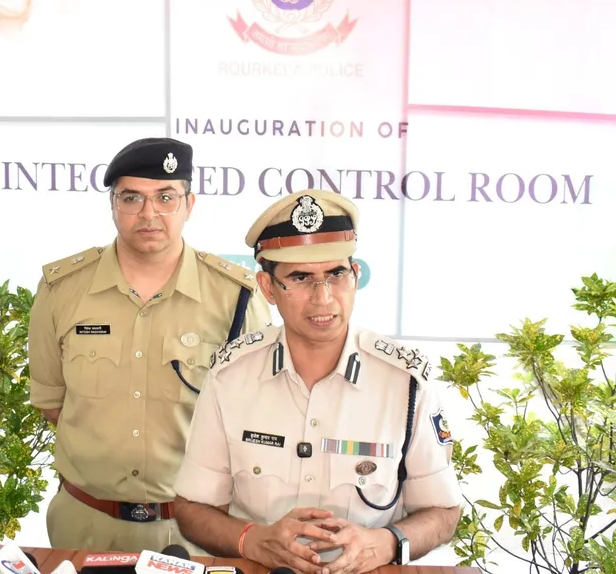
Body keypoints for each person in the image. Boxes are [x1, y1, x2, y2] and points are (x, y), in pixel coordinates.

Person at [172, 190, 462, 574]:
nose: (323, 297)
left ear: (355, 276)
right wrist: (253, 539)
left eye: (336, 275)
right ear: (268, 287)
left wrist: (384, 543)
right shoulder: (230, 377)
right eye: (301, 278)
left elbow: (443, 511)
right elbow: (192, 508)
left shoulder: (405, 382)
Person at [28, 136, 272, 553]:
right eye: (131, 198)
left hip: (192, 531)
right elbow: (53, 403)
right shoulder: (61, 289)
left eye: (165, 197)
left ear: (189, 205)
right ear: (112, 204)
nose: (148, 214)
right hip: (85, 523)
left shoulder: (237, 297)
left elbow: (255, 419)